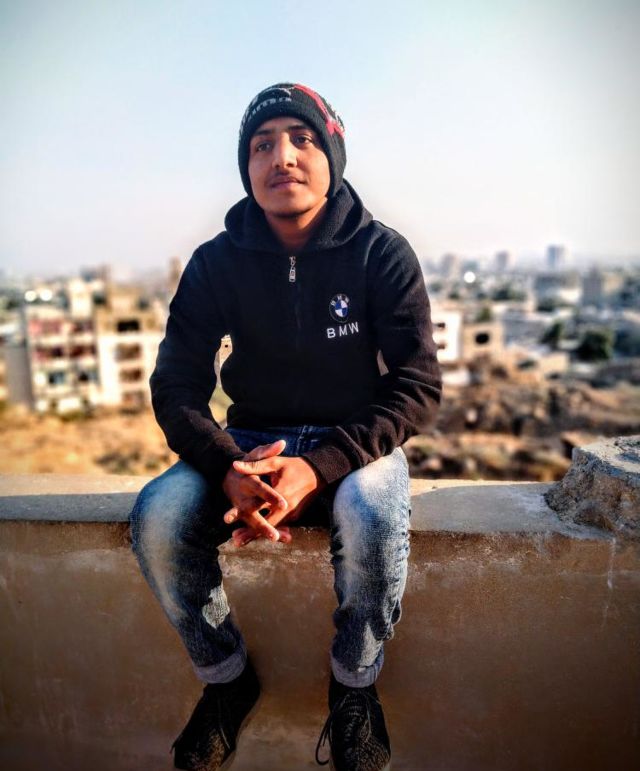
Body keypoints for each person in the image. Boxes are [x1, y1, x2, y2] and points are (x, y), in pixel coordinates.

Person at [129, 82, 442, 771]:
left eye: (302, 139)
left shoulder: (380, 253)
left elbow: (417, 387)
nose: (282, 157)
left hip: (351, 448)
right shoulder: (217, 262)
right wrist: (225, 465)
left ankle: (353, 686)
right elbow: (176, 384)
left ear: (333, 155)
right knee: (158, 517)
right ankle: (226, 678)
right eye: (262, 145)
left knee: (372, 511)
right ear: (246, 167)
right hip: (248, 448)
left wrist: (319, 466)